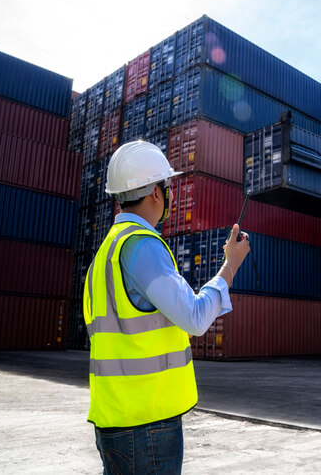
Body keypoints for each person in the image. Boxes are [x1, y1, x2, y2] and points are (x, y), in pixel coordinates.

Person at [83, 140, 250, 474]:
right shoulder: (141, 246)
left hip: (116, 418)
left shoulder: (105, 254)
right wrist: (230, 266)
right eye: (167, 186)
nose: (170, 195)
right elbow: (195, 317)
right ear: (156, 194)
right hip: (147, 425)